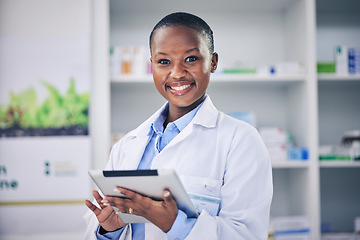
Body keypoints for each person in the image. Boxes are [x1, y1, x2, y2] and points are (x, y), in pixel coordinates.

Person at [84, 12, 273, 240]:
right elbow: (98, 229)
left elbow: (247, 235)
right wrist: (109, 229)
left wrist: (176, 225)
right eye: (164, 62)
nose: (177, 73)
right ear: (152, 65)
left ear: (213, 62)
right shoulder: (127, 145)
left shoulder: (241, 140)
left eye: (191, 59)